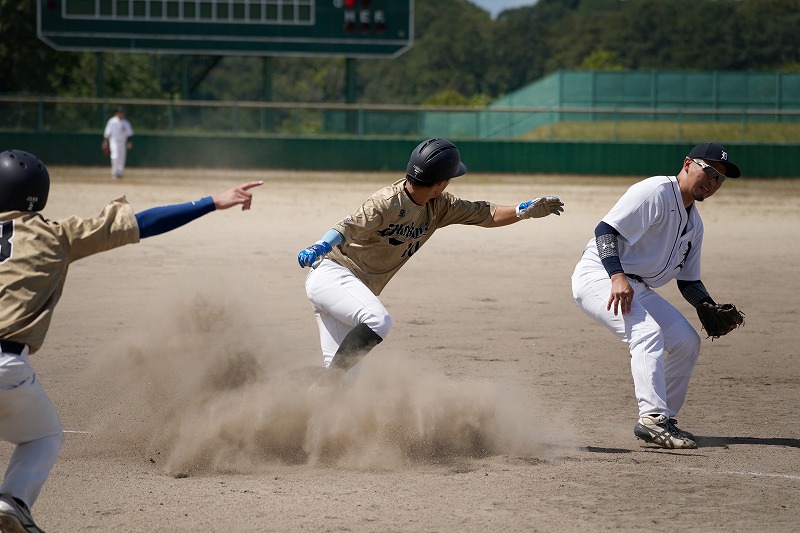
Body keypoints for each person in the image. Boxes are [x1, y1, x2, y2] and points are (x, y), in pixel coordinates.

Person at [0, 149, 262, 532]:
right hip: (7, 366)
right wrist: (212, 201)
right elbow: (143, 223)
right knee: (43, 436)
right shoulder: (56, 235)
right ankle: (13, 500)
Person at [297, 138, 564, 377]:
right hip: (333, 275)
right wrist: (319, 246)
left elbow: (486, 214)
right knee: (378, 321)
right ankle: (330, 381)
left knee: (341, 380)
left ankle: (284, 393)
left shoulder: (440, 206)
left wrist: (521, 211)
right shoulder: (387, 201)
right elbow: (347, 227)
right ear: (439, 183)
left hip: (350, 291)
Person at [570, 142, 742, 450]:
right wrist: (616, 276)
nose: (713, 182)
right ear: (687, 163)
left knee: (686, 341)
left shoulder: (695, 224)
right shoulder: (655, 191)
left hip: (636, 286)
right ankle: (652, 418)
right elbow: (605, 230)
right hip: (600, 274)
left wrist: (706, 305)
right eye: (709, 171)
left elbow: (688, 279)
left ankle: (664, 419)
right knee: (646, 333)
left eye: (720, 178)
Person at [101, 106, 134, 179]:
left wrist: (129, 142)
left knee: (121, 157)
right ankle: (114, 172)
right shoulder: (112, 121)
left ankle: (119, 173)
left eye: (122, 112)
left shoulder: (126, 122)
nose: (121, 114)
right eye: (119, 112)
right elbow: (107, 132)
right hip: (114, 141)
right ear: (116, 113)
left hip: (123, 142)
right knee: (115, 156)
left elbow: (129, 134)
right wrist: (105, 142)